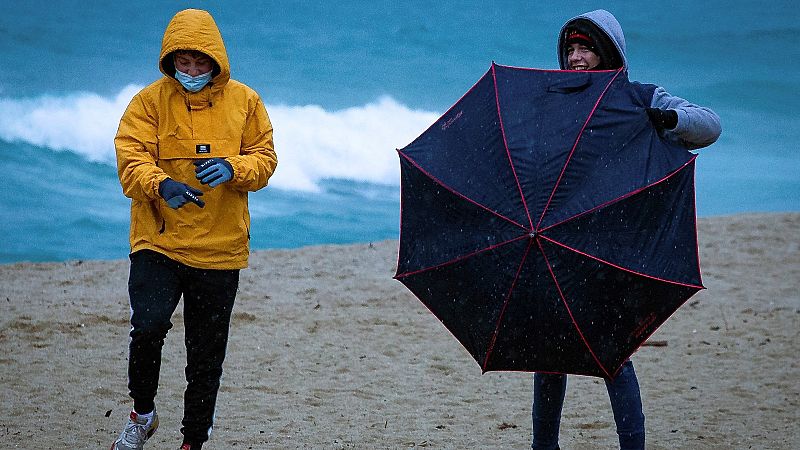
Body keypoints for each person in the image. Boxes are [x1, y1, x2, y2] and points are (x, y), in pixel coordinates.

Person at [531, 9, 721, 450]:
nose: (576, 58)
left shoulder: (640, 99)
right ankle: (544, 445)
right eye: (571, 49)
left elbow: (709, 124)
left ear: (608, 52)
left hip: (614, 248)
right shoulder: (553, 102)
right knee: (549, 354)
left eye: (586, 49)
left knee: (613, 354)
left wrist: (669, 122)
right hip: (558, 241)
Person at [111, 8, 277, 450]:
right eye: (183, 63)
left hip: (221, 248)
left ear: (216, 61)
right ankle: (141, 416)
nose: (192, 72)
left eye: (201, 63)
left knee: (205, 354)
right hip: (158, 240)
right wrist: (162, 184)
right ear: (170, 60)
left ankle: (193, 441)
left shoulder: (246, 101)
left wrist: (233, 168)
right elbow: (130, 162)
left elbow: (265, 159)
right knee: (147, 327)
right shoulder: (148, 102)